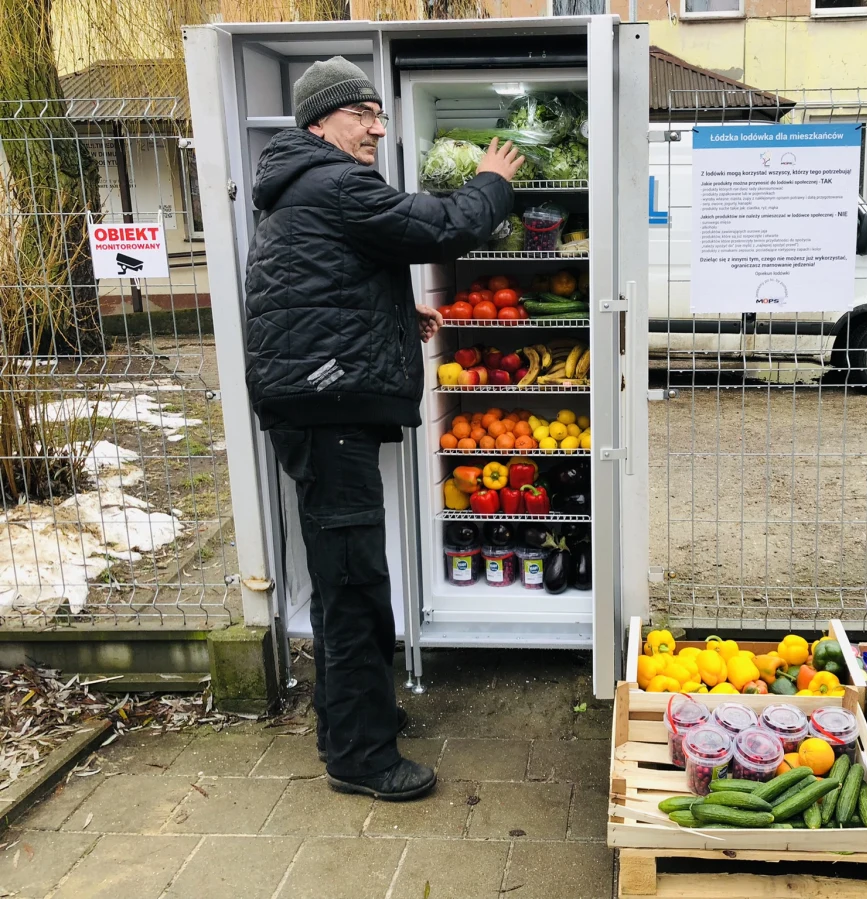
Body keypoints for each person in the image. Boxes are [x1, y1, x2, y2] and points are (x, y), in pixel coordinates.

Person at [243, 57, 524, 801]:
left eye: (378, 113)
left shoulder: (300, 184)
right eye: (361, 114)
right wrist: (491, 180)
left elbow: (328, 287)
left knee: (344, 580)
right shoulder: (335, 182)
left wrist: (402, 317)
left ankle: (348, 721)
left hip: (317, 403)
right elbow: (440, 226)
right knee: (355, 583)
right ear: (319, 123)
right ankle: (362, 756)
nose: (376, 126)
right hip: (328, 408)